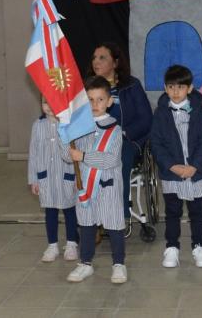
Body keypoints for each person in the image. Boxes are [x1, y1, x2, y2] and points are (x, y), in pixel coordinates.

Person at [150, 65, 202, 268]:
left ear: (190, 88)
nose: (175, 92)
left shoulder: (200, 112)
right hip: (173, 174)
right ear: (165, 88)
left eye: (180, 87)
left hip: (197, 173)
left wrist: (194, 166)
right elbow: (156, 143)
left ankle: (199, 246)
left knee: (197, 212)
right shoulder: (160, 113)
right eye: (170, 87)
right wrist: (171, 166)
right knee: (172, 212)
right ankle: (171, 248)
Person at [66, 77, 128, 284]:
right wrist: (64, 138)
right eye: (90, 100)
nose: (95, 104)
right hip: (84, 187)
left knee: (114, 226)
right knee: (86, 225)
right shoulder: (78, 128)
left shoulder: (115, 130)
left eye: (100, 99)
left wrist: (83, 156)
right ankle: (85, 263)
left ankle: (118, 264)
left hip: (107, 186)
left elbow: (111, 159)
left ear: (109, 102)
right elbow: (68, 156)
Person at [88, 42, 152, 235]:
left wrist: (122, 134)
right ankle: (90, 215)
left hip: (128, 141)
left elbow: (146, 119)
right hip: (96, 140)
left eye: (102, 58)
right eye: (94, 58)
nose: (96, 62)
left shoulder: (131, 86)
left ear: (115, 63)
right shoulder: (88, 88)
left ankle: (119, 212)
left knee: (119, 152)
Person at [29, 94, 79, 263]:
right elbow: (33, 153)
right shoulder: (38, 125)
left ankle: (72, 243)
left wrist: (76, 178)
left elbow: (75, 154)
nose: (49, 106)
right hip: (46, 178)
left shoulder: (69, 126)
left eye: (54, 101)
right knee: (50, 211)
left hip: (66, 176)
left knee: (69, 211)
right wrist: (34, 179)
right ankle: (52, 245)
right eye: (45, 102)